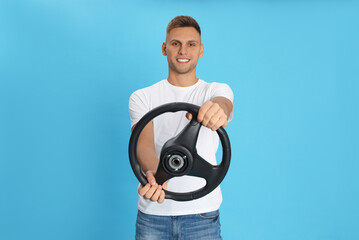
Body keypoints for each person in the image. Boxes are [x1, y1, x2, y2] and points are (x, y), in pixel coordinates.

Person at [129, 15, 234, 240]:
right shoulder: (142, 97)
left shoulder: (215, 90)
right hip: (153, 216)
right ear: (164, 48)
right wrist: (155, 177)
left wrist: (217, 110)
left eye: (191, 44)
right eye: (175, 44)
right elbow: (143, 143)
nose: (183, 51)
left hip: (203, 216)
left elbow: (224, 105)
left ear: (201, 50)